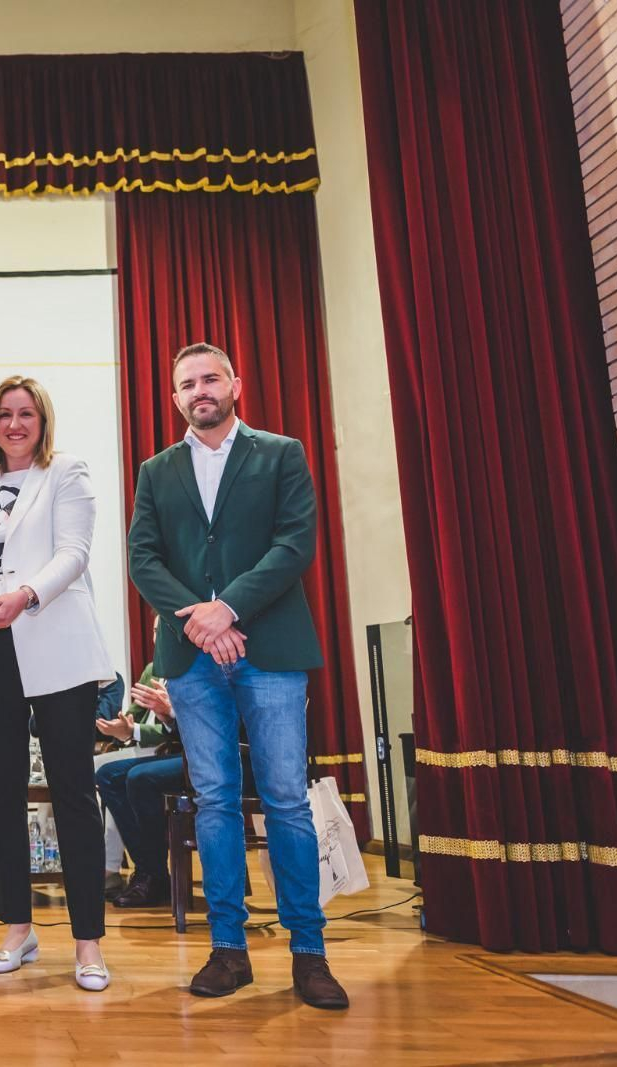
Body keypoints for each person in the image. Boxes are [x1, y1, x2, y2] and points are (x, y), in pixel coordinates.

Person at [128, 342, 349, 1009]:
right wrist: (199, 621)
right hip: (191, 657)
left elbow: (294, 543)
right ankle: (228, 949)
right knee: (215, 801)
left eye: (211, 378)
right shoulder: (156, 471)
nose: (200, 390)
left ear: (235, 385)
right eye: (187, 383)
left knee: (285, 800)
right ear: (175, 398)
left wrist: (228, 608)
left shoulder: (281, 453)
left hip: (271, 649)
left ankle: (309, 953)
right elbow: (144, 558)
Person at [0, 375, 116, 992]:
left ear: (42, 421)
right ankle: (18, 927)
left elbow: (73, 553)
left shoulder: (66, 473)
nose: (15, 425)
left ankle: (88, 942)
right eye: (5, 415)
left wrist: (24, 594)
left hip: (54, 645)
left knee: (72, 792)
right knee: (2, 793)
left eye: (26, 414)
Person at [93, 670, 184, 907]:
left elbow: (193, 725)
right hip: (161, 747)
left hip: (189, 752)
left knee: (138, 777)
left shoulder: (191, 667)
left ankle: (150, 873)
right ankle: (146, 869)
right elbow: (131, 719)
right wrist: (122, 728)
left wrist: (169, 713)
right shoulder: (153, 669)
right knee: (107, 774)